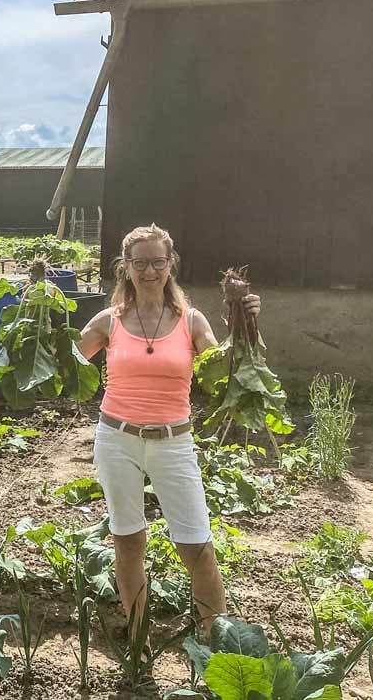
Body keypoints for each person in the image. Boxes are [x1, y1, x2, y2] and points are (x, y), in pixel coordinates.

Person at [78, 224, 261, 642]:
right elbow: (67, 367)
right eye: (139, 263)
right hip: (117, 439)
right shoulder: (110, 321)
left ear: (170, 264)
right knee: (128, 541)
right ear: (125, 266)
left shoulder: (190, 322)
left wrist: (246, 326)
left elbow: (222, 374)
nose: (149, 271)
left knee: (197, 545)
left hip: (174, 442)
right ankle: (139, 641)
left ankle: (219, 644)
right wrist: (39, 325)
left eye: (157, 262)